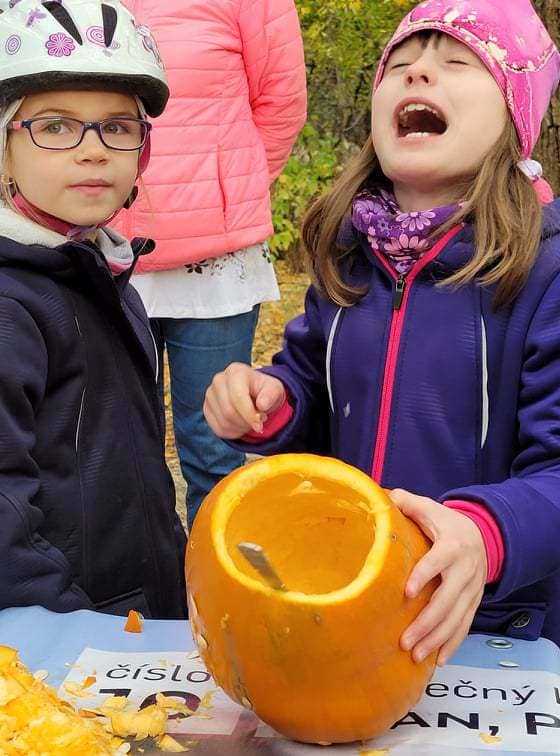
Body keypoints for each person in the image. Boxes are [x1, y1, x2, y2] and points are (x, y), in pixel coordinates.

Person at [204, 0, 560, 662]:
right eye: (400, 64)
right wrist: (273, 402)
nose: (418, 73)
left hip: (493, 625)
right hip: (349, 596)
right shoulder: (350, 251)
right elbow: (310, 382)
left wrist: (485, 536)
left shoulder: (546, 272)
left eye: (458, 63)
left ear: (516, 117)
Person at [0, 0, 187, 618]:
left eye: (117, 126)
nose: (93, 150)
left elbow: (141, 473)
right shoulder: (10, 306)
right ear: (4, 147)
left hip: (137, 619)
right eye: (55, 126)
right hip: (64, 640)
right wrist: (67, 633)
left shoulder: (107, 279)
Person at [117, 0, 307, 530]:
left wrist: (231, 193)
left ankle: (212, 575)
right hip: (108, 254)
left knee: (212, 446)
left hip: (215, 266)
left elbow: (282, 102)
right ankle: (149, 576)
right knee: (123, 447)